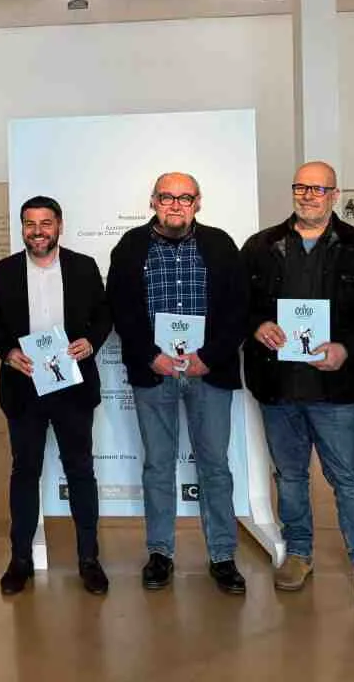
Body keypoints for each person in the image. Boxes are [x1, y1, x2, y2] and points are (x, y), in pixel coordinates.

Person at [241, 161, 354, 614]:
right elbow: (239, 304)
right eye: (301, 188)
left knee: (347, 478)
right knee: (289, 477)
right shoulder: (261, 246)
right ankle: (300, 553)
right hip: (277, 384)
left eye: (318, 189)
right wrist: (258, 325)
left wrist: (347, 347)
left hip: (333, 387)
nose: (309, 196)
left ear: (333, 194)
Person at [106, 173, 248, 594]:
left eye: (184, 198)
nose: (175, 205)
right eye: (166, 197)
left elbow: (239, 308)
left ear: (197, 203)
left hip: (209, 373)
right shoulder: (131, 247)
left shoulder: (220, 244)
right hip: (155, 373)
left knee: (215, 467)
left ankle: (222, 555)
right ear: (153, 201)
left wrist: (210, 358)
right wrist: (153, 357)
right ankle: (160, 553)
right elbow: (121, 308)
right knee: (158, 465)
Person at [0, 196, 112, 596]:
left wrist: (91, 342)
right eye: (29, 224)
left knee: (80, 471)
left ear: (59, 225)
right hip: (24, 388)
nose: (37, 231)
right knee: (25, 473)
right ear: (21, 227)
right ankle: (20, 559)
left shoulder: (84, 267)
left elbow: (104, 315)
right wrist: (8, 352)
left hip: (72, 386)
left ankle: (88, 558)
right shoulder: (4, 271)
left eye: (45, 223)